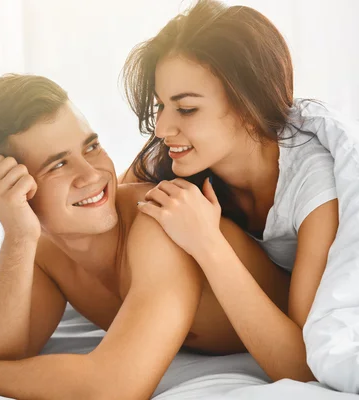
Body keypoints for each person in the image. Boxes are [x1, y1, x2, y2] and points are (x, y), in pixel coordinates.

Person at [0, 73, 291, 399]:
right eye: (57, 164)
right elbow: (0, 354)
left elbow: (113, 389)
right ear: (9, 182)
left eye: (91, 146)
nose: (91, 174)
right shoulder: (43, 252)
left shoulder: (158, 221)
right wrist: (18, 234)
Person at [120, 0, 340, 382]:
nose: (161, 128)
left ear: (248, 105)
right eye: (160, 106)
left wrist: (208, 244)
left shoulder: (316, 186)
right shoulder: (174, 157)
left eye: (186, 109)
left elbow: (305, 367)